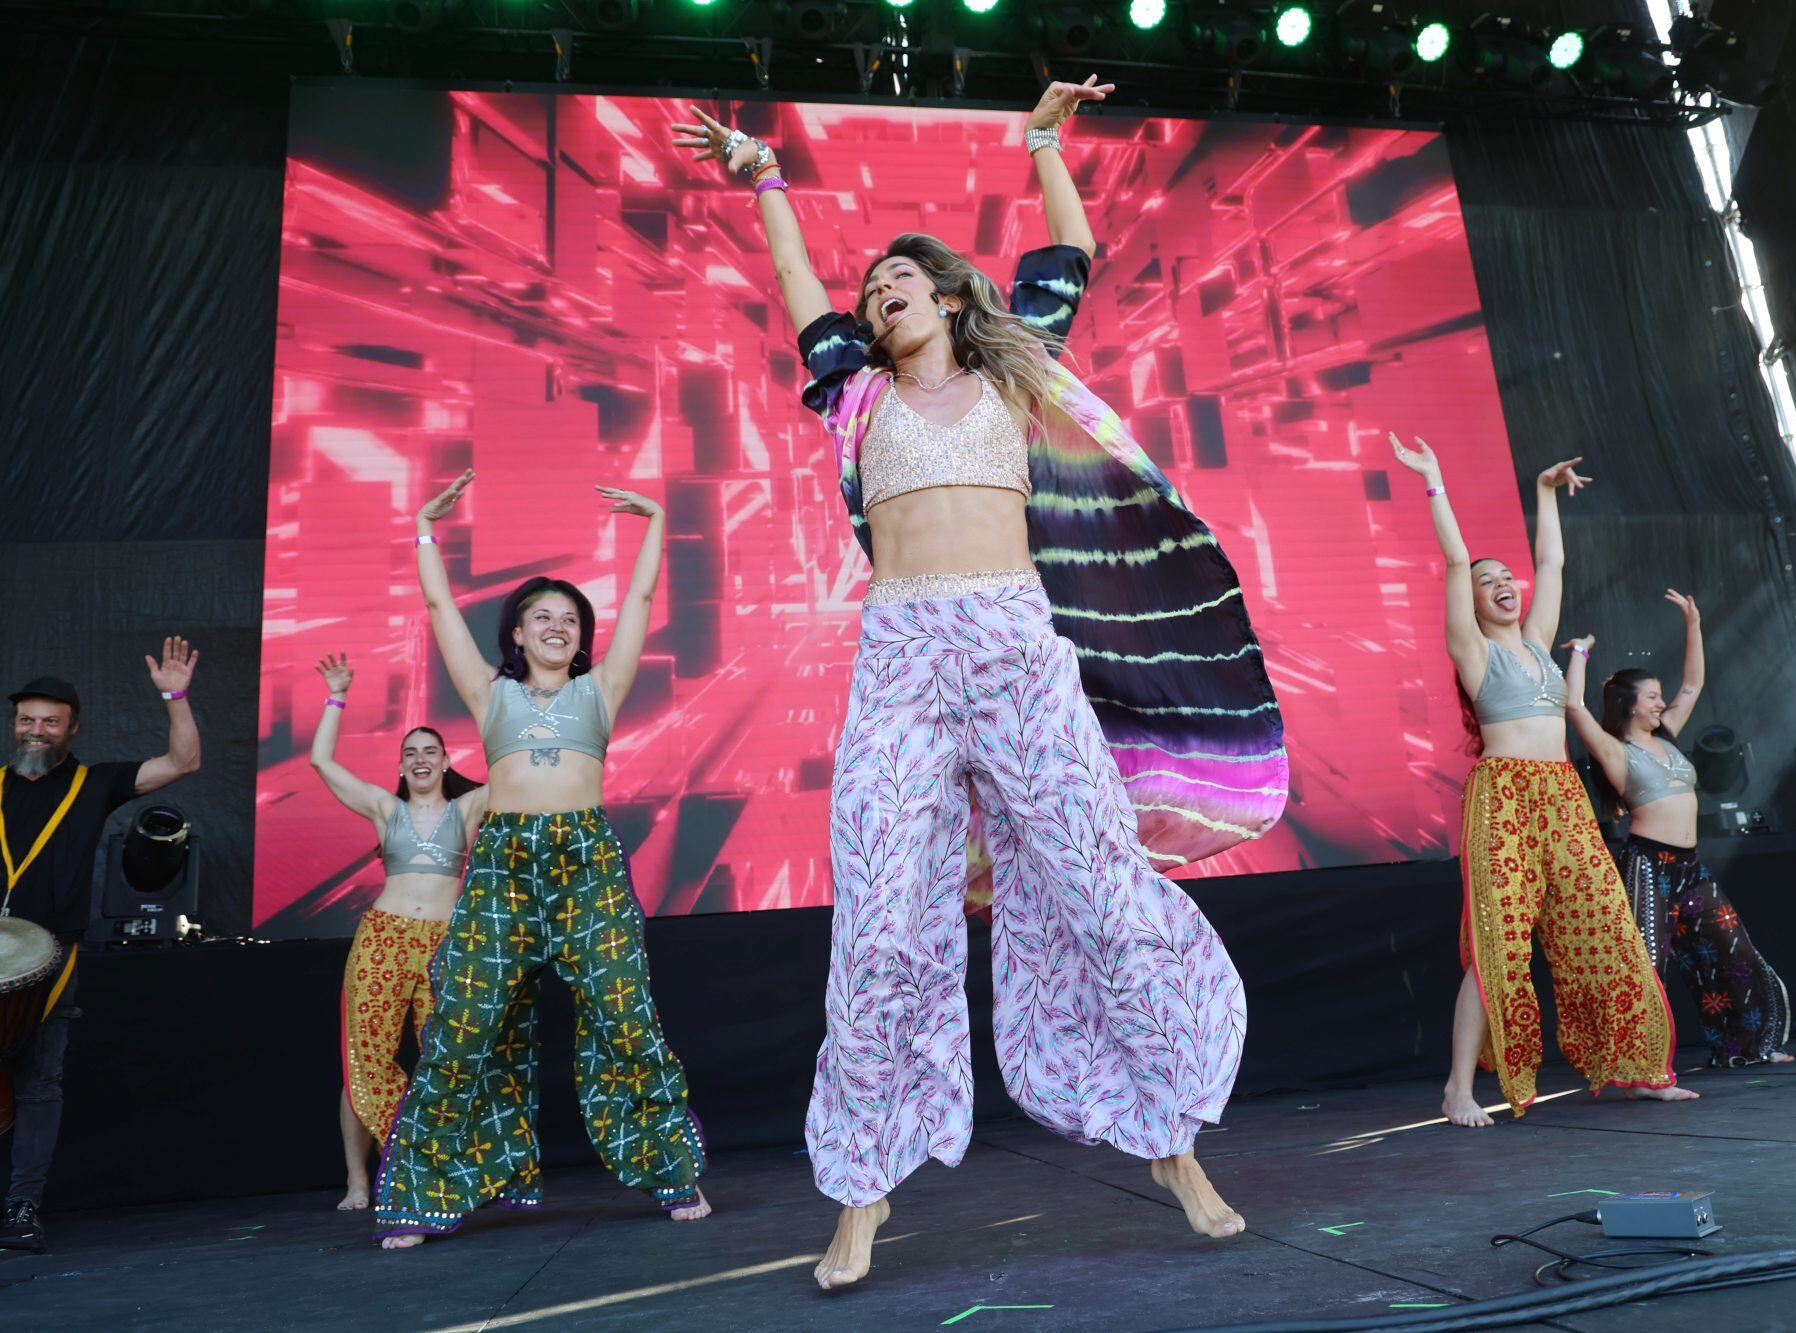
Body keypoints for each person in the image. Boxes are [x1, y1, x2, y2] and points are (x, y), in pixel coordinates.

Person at [674, 77, 1287, 1290]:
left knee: (1098, 891)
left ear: (947, 296)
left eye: (894, 283)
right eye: (868, 293)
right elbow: (799, 284)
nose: (873, 296)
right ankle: (861, 1192)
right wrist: (762, 179)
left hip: (1016, 650)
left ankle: (1174, 1149)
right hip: (900, 660)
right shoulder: (854, 392)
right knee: (881, 932)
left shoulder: (1014, 379)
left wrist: (1045, 139)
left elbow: (1072, 248)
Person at [372, 474, 710, 1248]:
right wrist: (425, 528)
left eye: (569, 618)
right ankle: (425, 1194)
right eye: (540, 616)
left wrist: (655, 520)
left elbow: (647, 599)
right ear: (517, 634)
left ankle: (670, 1170)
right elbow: (437, 611)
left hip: (585, 862)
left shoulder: (602, 689)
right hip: (502, 868)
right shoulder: (490, 695)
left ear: (581, 637)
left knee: (626, 1015)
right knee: (461, 1024)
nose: (556, 626)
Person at [1389, 436, 1696, 1128]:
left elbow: (1552, 561)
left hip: (1561, 796)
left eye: (1507, 576)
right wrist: (1436, 480)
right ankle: (1458, 1089)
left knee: (1608, 926)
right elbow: (1455, 558)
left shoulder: (1536, 642)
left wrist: (1546, 490)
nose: (1502, 581)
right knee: (1497, 941)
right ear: (1470, 600)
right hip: (1504, 796)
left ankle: (1638, 1067)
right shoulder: (1470, 649)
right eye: (1487, 579)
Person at [0, 646, 203, 1254]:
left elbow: (184, 761)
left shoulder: (95, 784)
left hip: (51, 963)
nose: (37, 730)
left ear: (73, 727)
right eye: (27, 719)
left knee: (39, 1085)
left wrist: (175, 695)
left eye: (50, 720)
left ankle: (20, 1207)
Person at [1561, 596, 1793, 1068]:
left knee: (1734, 950)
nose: (1662, 702)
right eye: (1651, 696)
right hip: (1648, 866)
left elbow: (1694, 682)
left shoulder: (1666, 733)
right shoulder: (1614, 750)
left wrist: (1694, 624)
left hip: (1690, 868)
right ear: (1628, 704)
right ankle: (1642, 1064)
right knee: (1647, 964)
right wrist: (1581, 653)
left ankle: (1743, 1049)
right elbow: (1573, 706)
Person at [305, 651, 490, 1210]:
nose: (419, 759)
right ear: (403, 763)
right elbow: (320, 761)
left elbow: (515, 768)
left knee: (448, 1061)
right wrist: (336, 695)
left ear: (444, 759)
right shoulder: (385, 808)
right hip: (384, 938)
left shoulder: (469, 807)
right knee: (363, 1061)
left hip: (444, 944)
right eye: (409, 752)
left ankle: (439, 1162)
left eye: (429, 751)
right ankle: (363, 1179)